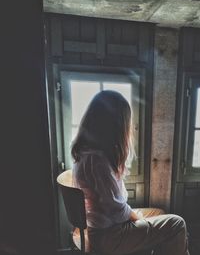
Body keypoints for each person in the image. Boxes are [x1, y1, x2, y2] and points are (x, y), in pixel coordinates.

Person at [72, 90, 190, 255]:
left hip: (103, 229)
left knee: (159, 213)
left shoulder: (85, 154)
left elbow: (113, 205)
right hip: (109, 236)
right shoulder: (97, 162)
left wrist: (135, 216)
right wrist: (137, 218)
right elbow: (116, 210)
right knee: (177, 224)